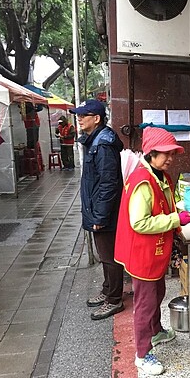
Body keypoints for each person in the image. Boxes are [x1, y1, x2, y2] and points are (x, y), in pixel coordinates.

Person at [114, 127, 190, 375]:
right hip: (143, 253)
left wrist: (179, 212)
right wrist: (175, 220)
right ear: (151, 153)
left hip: (156, 250)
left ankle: (156, 331)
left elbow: (167, 204)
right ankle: (142, 353)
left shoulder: (161, 176)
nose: (171, 158)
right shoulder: (142, 181)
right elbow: (140, 222)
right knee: (145, 303)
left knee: (157, 292)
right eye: (166, 153)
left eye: (173, 153)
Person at [71, 99, 125, 320]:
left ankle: (114, 299)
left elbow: (109, 183)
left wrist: (101, 215)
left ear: (97, 119)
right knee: (104, 255)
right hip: (98, 209)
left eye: (84, 115)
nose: (79, 118)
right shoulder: (95, 140)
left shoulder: (103, 144)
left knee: (110, 257)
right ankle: (107, 290)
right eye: (79, 115)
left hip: (105, 213)